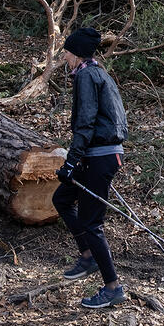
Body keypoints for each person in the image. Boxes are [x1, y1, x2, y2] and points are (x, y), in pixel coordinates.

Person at [52, 27, 129, 309]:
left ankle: (113, 287)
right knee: (61, 198)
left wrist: (72, 161)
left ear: (77, 54)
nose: (65, 57)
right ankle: (87, 256)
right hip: (100, 154)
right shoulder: (100, 73)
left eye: (67, 52)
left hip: (99, 156)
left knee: (91, 223)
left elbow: (85, 122)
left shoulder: (86, 75)